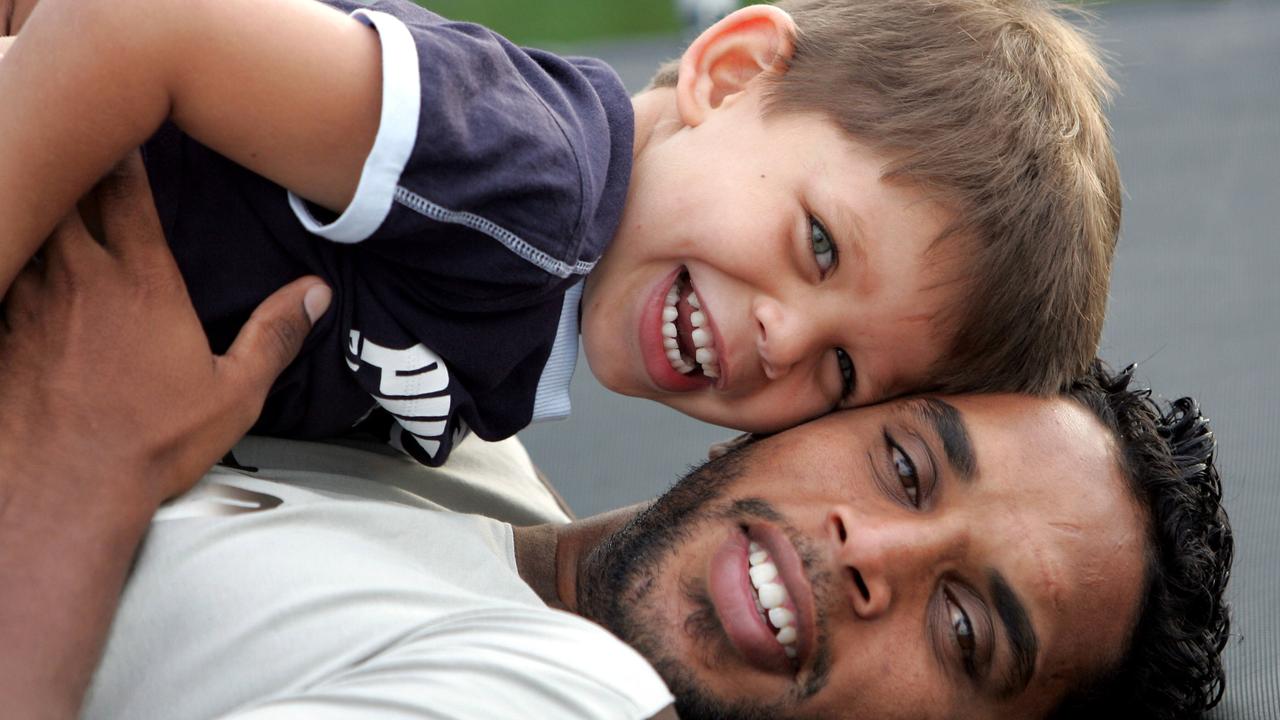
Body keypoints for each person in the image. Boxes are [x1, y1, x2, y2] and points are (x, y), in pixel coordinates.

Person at [0, 167, 1231, 719]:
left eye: (965, 631)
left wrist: (71, 470)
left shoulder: (579, 701)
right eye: (904, 465)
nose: (874, 551)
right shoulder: (463, 451)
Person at [0, 0, 1121, 468]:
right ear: (730, 74)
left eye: (840, 373)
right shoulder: (531, 185)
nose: (782, 337)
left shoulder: (542, 304)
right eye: (820, 246)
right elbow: (131, 22)